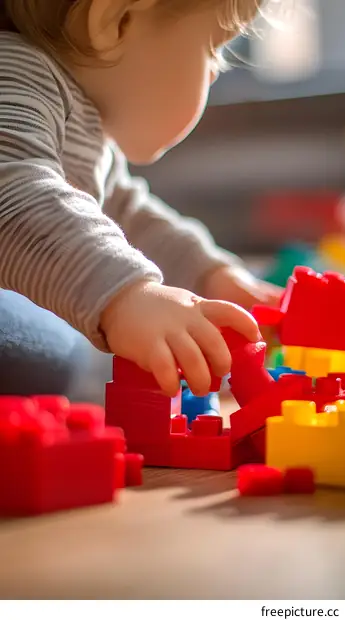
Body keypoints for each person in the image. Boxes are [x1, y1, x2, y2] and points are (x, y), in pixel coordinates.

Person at [0, 0, 282, 398]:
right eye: (213, 48)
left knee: (65, 352)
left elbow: (125, 218)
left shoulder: (82, 124)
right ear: (116, 21)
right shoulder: (15, 73)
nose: (216, 70)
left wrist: (210, 275)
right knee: (59, 348)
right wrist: (125, 294)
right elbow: (13, 197)